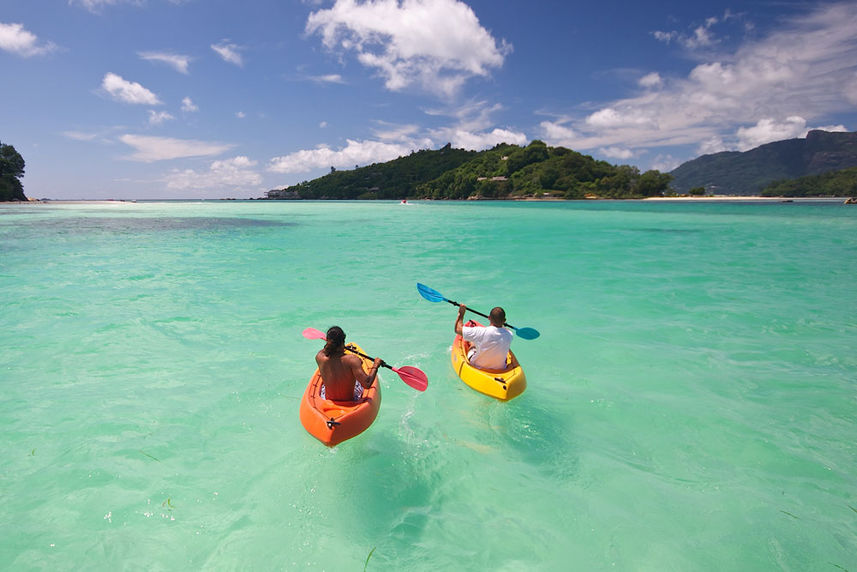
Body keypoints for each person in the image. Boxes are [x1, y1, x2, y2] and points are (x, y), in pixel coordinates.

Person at [315, 326, 381, 401]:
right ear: (343, 343)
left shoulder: (319, 357)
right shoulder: (352, 360)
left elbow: (326, 351)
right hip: (349, 401)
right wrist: (376, 365)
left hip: (328, 399)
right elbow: (367, 384)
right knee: (358, 380)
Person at [454, 304, 513, 370]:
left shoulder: (481, 332)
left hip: (478, 365)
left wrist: (461, 314)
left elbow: (457, 329)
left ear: (489, 318)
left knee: (472, 343)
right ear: (504, 321)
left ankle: (472, 345)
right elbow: (504, 329)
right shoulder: (510, 334)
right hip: (500, 368)